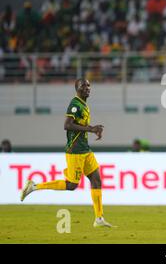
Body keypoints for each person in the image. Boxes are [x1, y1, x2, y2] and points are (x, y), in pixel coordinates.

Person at [20, 79, 113, 228]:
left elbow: (79, 125)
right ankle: (34, 187)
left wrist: (93, 128)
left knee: (96, 180)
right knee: (71, 185)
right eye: (84, 86)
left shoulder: (84, 104)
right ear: (77, 88)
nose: (87, 88)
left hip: (85, 149)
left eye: (89, 85)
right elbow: (67, 125)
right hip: (75, 150)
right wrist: (90, 129)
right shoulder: (75, 104)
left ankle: (99, 219)